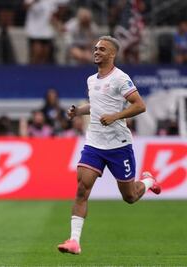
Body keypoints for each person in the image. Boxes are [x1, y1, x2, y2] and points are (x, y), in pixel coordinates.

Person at [57, 36, 161, 255]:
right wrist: (78, 111)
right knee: (81, 189)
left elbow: (139, 106)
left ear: (112, 54)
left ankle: (148, 180)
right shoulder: (91, 80)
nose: (96, 51)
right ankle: (74, 241)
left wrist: (115, 116)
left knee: (130, 196)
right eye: (95, 48)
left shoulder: (121, 79)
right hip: (94, 144)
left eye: (102, 49)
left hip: (118, 146)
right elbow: (95, 106)